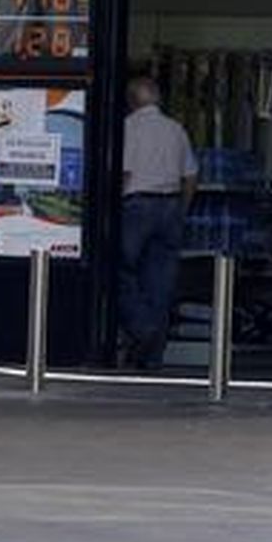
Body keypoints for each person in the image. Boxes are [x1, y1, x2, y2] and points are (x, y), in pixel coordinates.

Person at [118, 76, 197, 370]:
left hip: (136, 206)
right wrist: (181, 210)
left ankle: (142, 329)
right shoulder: (176, 129)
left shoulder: (128, 127)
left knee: (119, 272)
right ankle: (151, 361)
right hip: (170, 206)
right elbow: (190, 175)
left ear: (132, 101)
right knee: (160, 287)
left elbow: (123, 173)